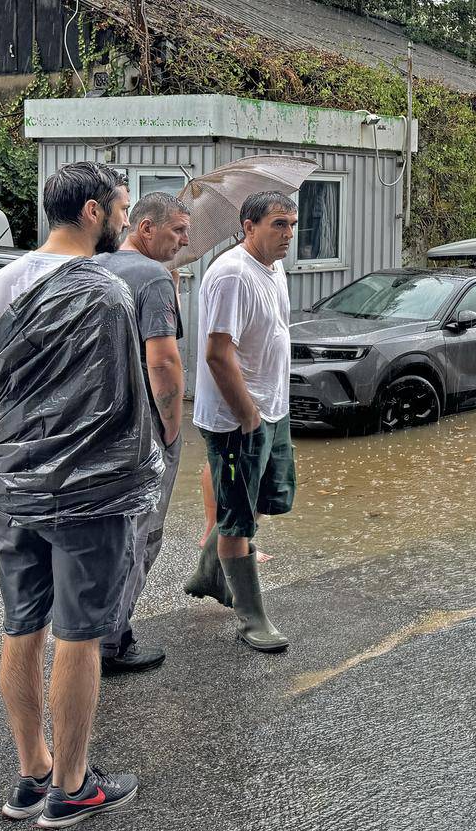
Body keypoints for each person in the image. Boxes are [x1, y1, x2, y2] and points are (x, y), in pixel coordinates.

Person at [0, 161, 159, 826]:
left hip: (14, 485)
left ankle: (32, 774)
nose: (126, 221)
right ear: (91, 212)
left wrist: (15, 466)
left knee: (22, 627)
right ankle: (73, 787)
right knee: (78, 635)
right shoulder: (107, 293)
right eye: (121, 209)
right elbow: (119, 404)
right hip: (88, 498)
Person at [185, 191, 298, 652]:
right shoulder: (232, 275)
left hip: (273, 408)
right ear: (248, 226)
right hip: (238, 418)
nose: (288, 233)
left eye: (292, 223)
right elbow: (216, 354)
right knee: (237, 521)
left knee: (259, 502)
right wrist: (248, 414)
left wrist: (269, 409)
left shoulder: (274, 268)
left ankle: (210, 572)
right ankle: (251, 617)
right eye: (278, 224)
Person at [96, 191, 192, 674]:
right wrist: (172, 430)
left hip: (97, 423)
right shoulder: (152, 277)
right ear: (145, 227)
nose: (183, 240)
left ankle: (86, 630)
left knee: (107, 531)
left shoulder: (98, 265)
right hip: (142, 427)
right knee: (142, 533)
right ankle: (113, 641)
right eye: (176, 231)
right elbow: (163, 360)